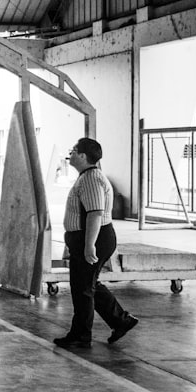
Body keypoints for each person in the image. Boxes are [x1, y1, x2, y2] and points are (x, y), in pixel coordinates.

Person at [54, 138, 139, 349]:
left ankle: (81, 335)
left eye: (73, 151)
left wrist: (88, 245)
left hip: (94, 237)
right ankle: (121, 320)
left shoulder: (91, 178)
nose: (70, 154)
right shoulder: (87, 177)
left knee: (83, 288)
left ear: (83, 156)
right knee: (88, 284)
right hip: (88, 236)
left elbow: (95, 214)